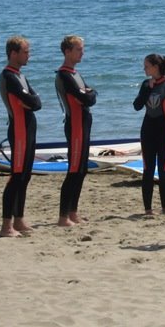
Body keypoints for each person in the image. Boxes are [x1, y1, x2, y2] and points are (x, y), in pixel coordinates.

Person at [0, 36, 42, 237]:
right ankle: (6, 226)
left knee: (25, 176)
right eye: (25, 52)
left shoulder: (20, 76)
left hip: (29, 128)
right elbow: (29, 100)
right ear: (13, 53)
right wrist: (30, 101)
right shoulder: (8, 76)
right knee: (16, 177)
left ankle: (19, 219)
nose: (28, 55)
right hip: (19, 130)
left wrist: (30, 100)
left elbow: (36, 103)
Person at [56, 35, 97, 227]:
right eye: (79, 49)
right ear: (67, 51)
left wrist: (88, 93)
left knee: (82, 170)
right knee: (73, 170)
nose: (83, 53)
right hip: (75, 125)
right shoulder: (64, 75)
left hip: (85, 124)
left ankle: (73, 212)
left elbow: (92, 95)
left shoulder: (75, 73)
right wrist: (88, 94)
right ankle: (63, 216)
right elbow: (87, 98)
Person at [133, 53, 165, 215]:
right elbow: (137, 106)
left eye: (146, 66)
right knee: (148, 169)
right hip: (147, 130)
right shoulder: (146, 84)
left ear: (155, 67)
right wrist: (148, 89)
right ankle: (148, 210)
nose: (144, 69)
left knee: (163, 169)